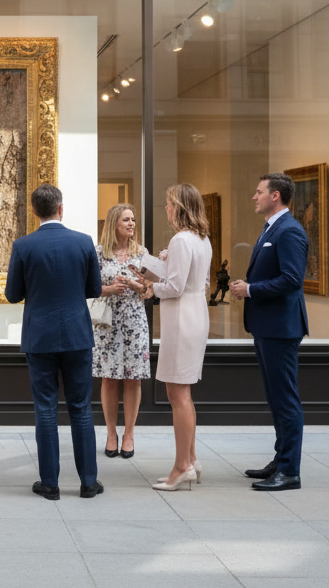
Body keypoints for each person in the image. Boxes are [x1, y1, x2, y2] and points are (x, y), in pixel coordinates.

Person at [5, 183, 105, 501]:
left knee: (46, 410)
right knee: (81, 409)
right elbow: (95, 289)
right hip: (77, 334)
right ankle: (89, 482)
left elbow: (12, 294)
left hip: (40, 336)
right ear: (61, 208)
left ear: (35, 211)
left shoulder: (23, 246)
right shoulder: (84, 242)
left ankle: (50, 484)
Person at [229, 173, 309, 492]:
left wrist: (250, 290)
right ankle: (281, 459)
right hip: (267, 326)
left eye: (259, 192)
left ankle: (290, 471)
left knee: (285, 399)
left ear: (275, 196)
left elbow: (292, 280)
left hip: (280, 327)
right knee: (276, 399)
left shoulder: (289, 231)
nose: (254, 196)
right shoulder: (272, 227)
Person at [139, 184, 213, 492]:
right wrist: (165, 264)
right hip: (195, 314)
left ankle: (182, 466)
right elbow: (200, 281)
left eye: (169, 204)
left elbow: (175, 286)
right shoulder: (202, 239)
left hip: (182, 318)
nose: (167, 209)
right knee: (184, 393)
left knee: (177, 395)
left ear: (179, 207)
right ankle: (192, 460)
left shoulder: (181, 239)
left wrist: (150, 285)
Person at [91, 203, 152, 460]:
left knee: (133, 378)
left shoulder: (142, 253)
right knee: (109, 378)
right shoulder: (98, 253)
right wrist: (109, 289)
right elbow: (89, 287)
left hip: (135, 321)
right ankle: (111, 434)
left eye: (133, 219)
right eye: (126, 219)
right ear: (114, 223)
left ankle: (129, 434)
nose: (131, 224)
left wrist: (136, 286)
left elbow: (149, 291)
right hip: (107, 322)